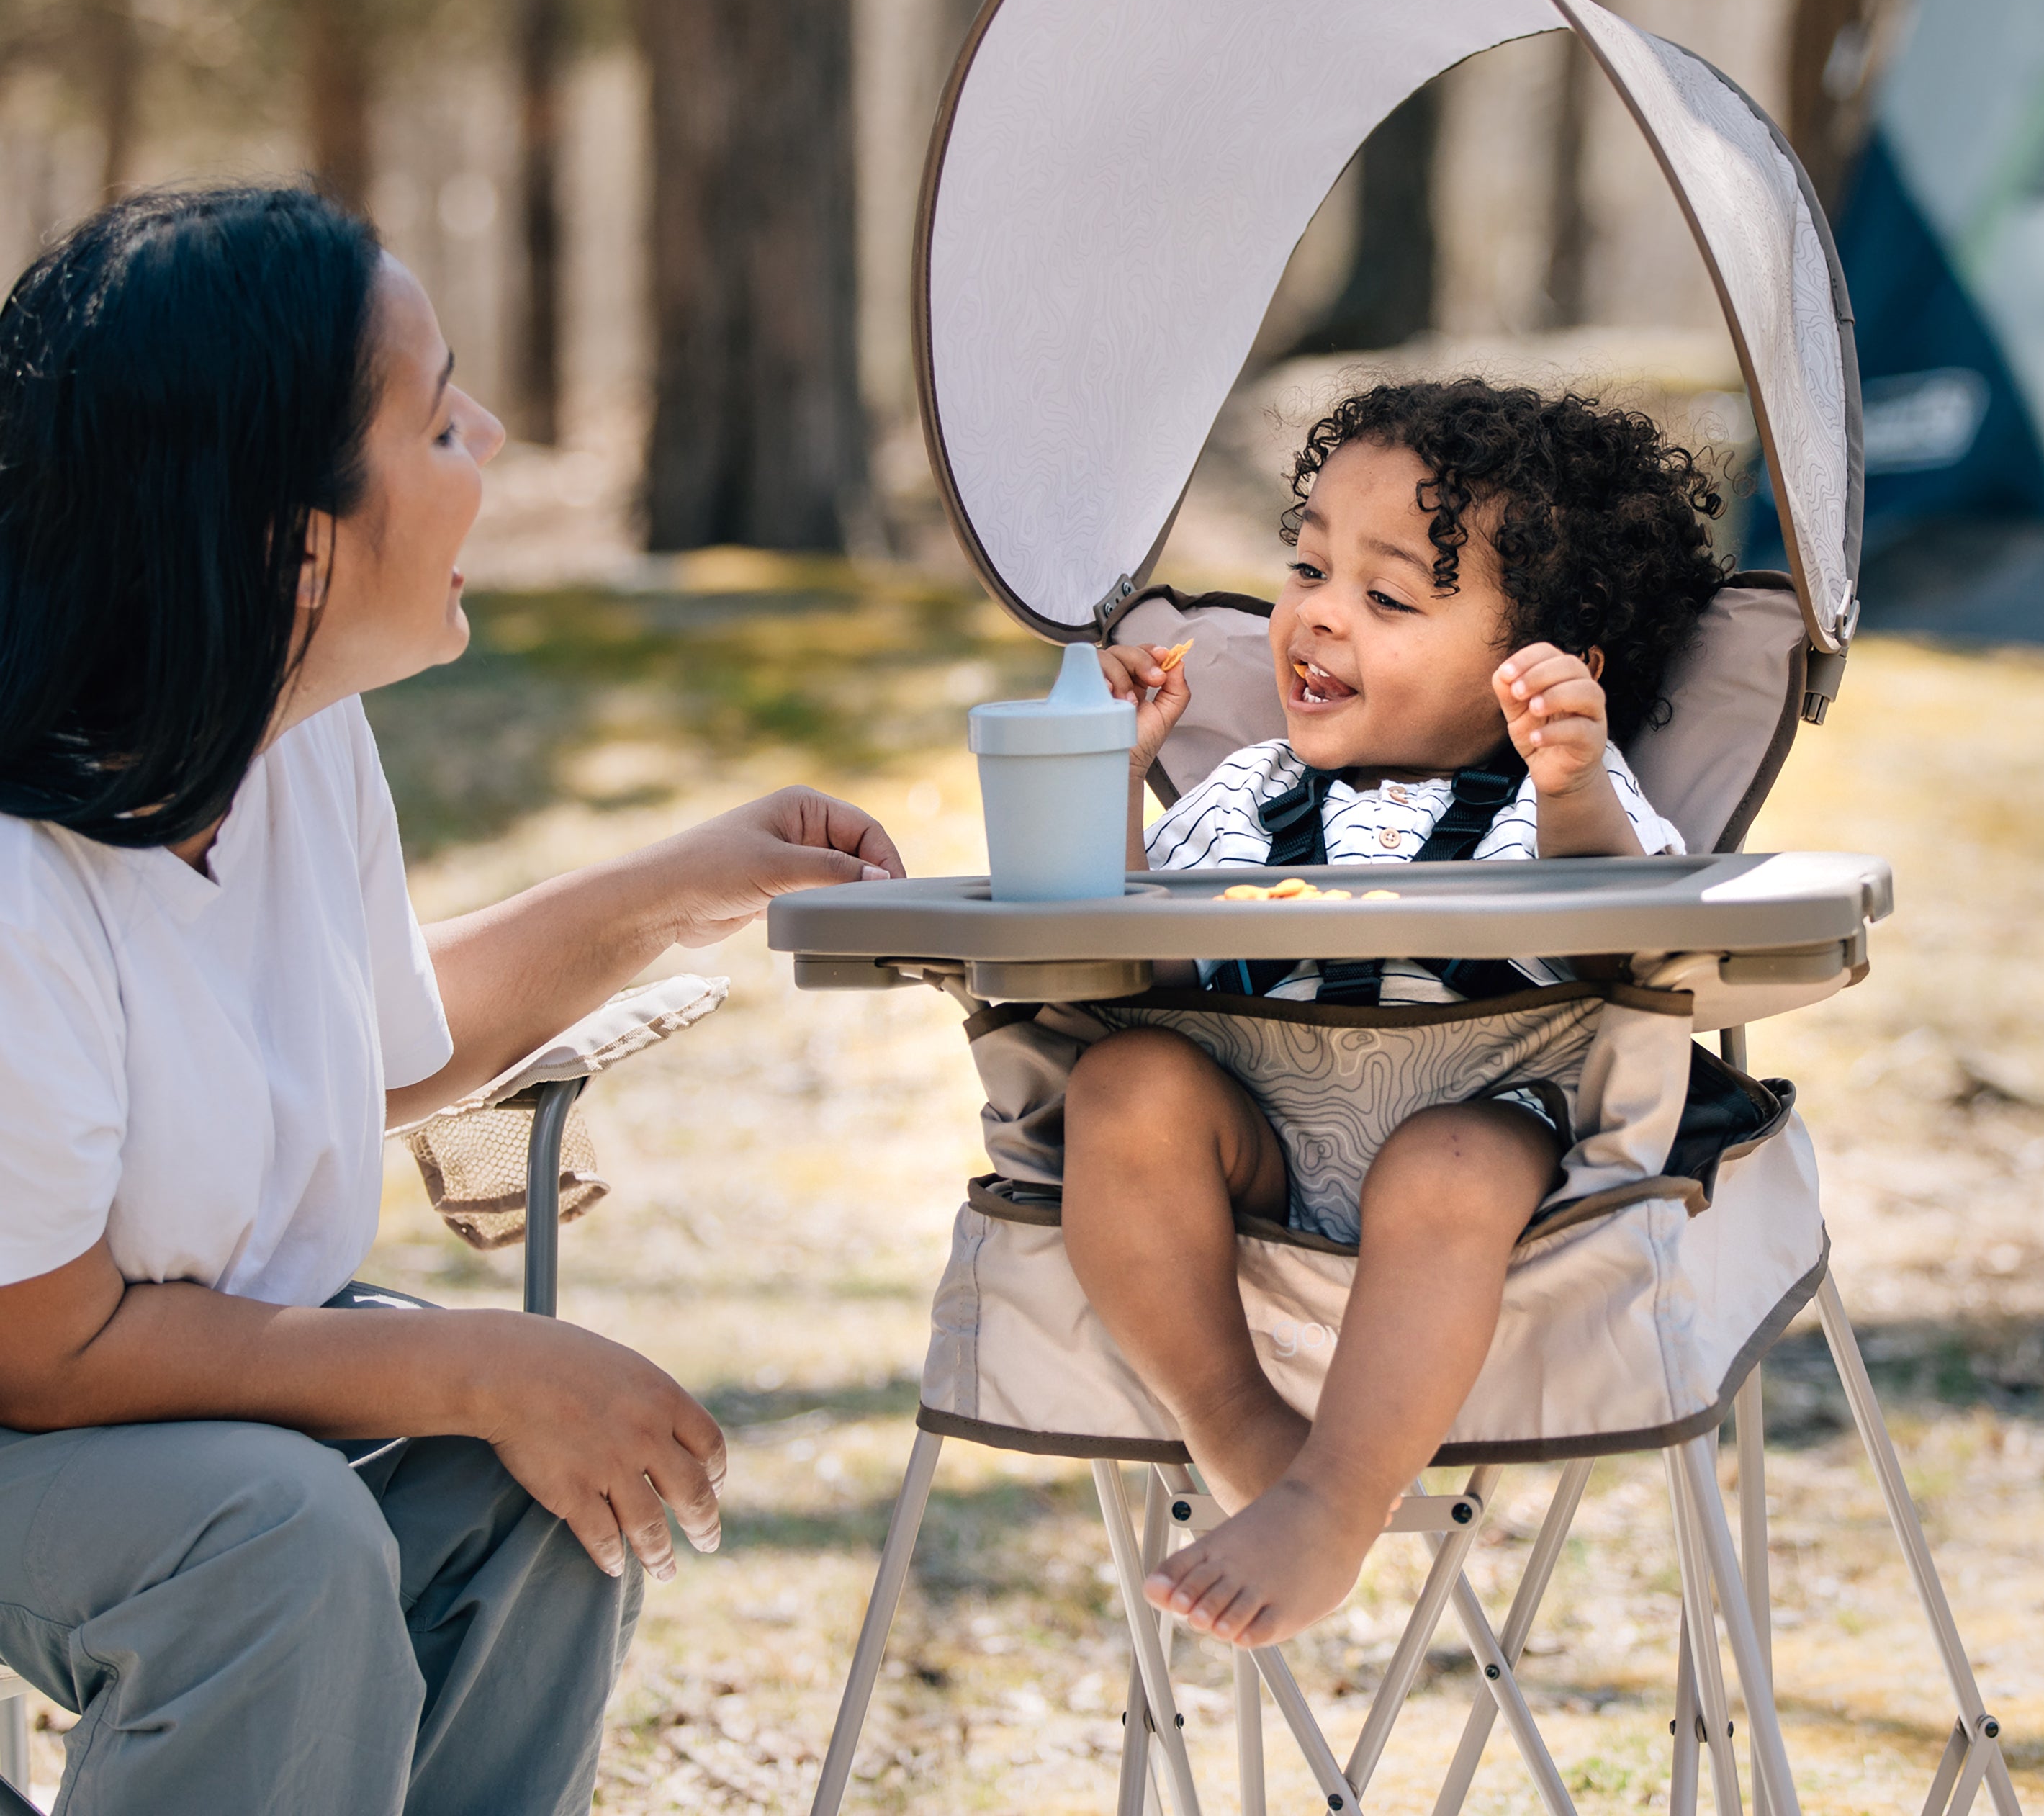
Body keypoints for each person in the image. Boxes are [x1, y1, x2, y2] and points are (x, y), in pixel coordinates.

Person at [0, 186, 904, 1815]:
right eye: (437, 423)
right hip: (38, 1394)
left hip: (166, 1399)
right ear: (291, 545)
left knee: (530, 1491)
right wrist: (466, 1364)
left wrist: (674, 889)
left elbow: (373, 1048)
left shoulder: (287, 743)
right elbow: (44, 1352)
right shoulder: (15, 875)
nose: (486, 435)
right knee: (278, 1542)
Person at [1066, 376, 1725, 1649]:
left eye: (1386, 597)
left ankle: (1336, 1496)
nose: (1315, 616)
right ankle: (1244, 1431)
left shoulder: (1560, 801)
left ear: (1543, 669)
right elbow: (1121, 953)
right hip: (1256, 1144)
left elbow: (1624, 924)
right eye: (1308, 567)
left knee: (1451, 1157)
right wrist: (1115, 779)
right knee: (1123, 1082)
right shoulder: (1248, 793)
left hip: (1486, 1141)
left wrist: (1573, 778)